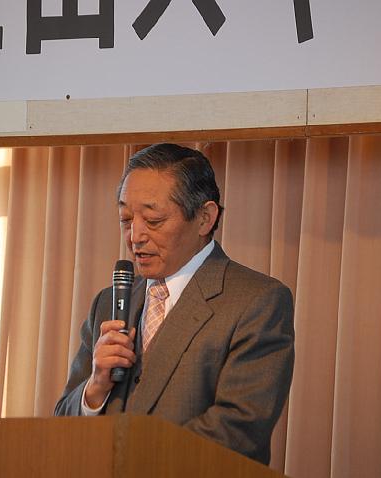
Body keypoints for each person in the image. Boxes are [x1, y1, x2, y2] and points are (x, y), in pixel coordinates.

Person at [54, 143, 294, 465]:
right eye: (126, 219)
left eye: (153, 220)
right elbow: (62, 421)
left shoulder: (257, 300)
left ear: (205, 218)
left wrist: (135, 463)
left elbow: (240, 429)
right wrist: (95, 389)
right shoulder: (107, 303)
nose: (135, 236)